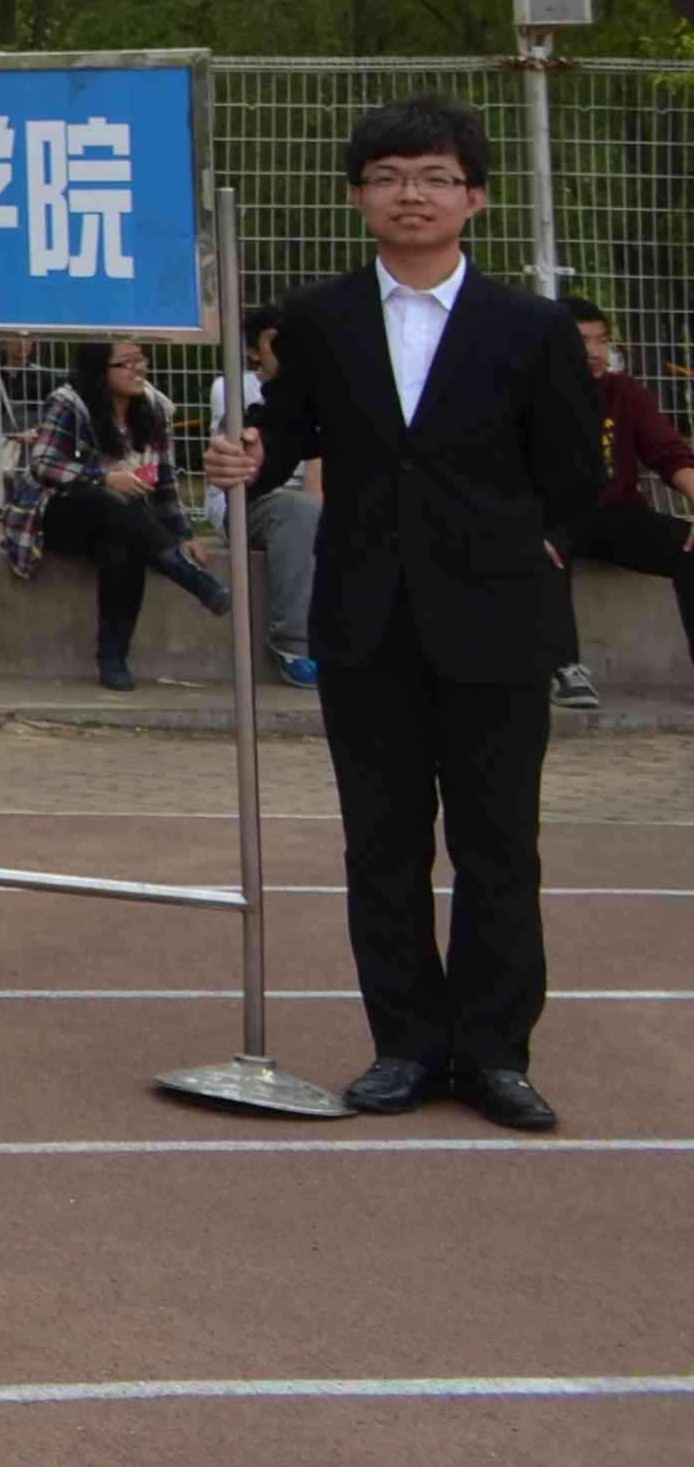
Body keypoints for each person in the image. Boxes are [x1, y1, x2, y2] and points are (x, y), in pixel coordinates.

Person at [202, 95, 599, 1133]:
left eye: (432, 177)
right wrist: (245, 458)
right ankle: (405, 1046)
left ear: (475, 197)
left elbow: (575, 470)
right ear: (357, 198)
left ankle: (496, 1054)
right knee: (381, 847)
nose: (409, 195)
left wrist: (540, 545)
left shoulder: (531, 327)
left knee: (498, 846)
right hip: (366, 615)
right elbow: (283, 439)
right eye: (386, 177)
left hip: (496, 620)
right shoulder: (320, 319)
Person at [1, 341, 230, 692]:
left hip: (123, 519)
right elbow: (44, 463)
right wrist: (103, 478)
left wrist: (184, 534)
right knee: (110, 501)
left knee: (123, 545)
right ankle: (188, 576)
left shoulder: (151, 407)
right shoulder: (69, 401)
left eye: (141, 360)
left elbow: (164, 479)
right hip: (61, 511)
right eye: (127, 363)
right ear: (99, 371)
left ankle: (113, 658)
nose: (139, 369)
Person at [554, 294, 693, 708]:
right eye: (581, 341)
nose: (594, 352)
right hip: (553, 518)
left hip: (616, 516)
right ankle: (565, 669)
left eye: (601, 341)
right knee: (546, 551)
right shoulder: (530, 393)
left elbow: (670, 455)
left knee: (690, 546)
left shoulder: (624, 392)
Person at [225, 304, 322, 691]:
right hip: (251, 500)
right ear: (253, 351)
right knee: (301, 510)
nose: (288, 351)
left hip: (307, 504)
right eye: (276, 342)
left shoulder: (325, 383)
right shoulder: (234, 389)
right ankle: (294, 644)